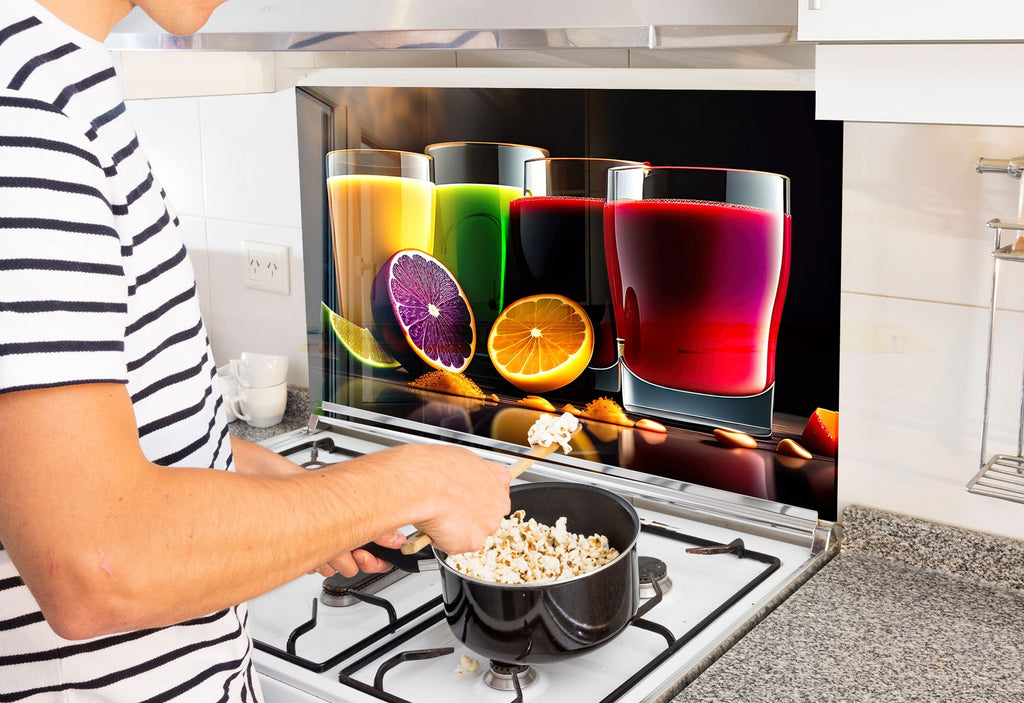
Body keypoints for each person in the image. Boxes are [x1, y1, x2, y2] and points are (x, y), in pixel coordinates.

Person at [0, 0, 513, 699]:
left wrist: (297, 498)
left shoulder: (55, 79)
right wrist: (415, 480)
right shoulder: (24, 117)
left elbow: (81, 452)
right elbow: (96, 563)